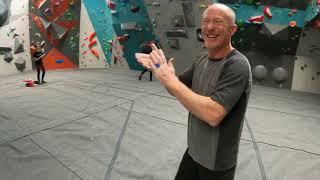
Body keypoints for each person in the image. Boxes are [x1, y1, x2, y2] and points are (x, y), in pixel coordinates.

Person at [135, 3, 252, 180]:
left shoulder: (237, 65)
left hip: (216, 163)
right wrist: (161, 72)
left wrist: (169, 79)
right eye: (206, 21)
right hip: (193, 152)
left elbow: (213, 114)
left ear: (232, 30)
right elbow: (175, 89)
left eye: (218, 22)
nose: (210, 27)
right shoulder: (201, 59)